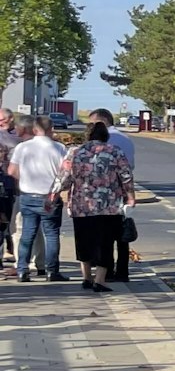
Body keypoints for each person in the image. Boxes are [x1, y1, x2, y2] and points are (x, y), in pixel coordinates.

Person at [56, 121, 135, 293]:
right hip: (109, 205)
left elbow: (65, 178)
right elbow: (126, 176)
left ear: (88, 135)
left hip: (81, 205)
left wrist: (54, 193)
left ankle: (86, 277)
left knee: (83, 240)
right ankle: (100, 280)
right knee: (105, 242)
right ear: (105, 135)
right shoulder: (115, 152)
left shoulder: (74, 153)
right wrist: (130, 197)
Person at [8, 117, 68, 281]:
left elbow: (12, 171)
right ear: (51, 129)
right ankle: (52, 270)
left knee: (27, 234)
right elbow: (65, 173)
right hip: (49, 196)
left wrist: (25, 178)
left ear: (34, 130)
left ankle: (22, 270)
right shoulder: (59, 148)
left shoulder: (23, 147)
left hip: (28, 195)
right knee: (51, 234)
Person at [88, 108, 136, 281]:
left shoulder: (107, 142)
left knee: (105, 234)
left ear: (102, 122)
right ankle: (122, 271)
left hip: (104, 194)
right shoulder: (126, 139)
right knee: (122, 234)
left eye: (93, 124)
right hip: (122, 191)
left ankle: (106, 270)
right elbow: (129, 168)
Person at [0, 108, 19, 269]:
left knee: (9, 218)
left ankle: (10, 248)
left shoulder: (17, 135)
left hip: (10, 182)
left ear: (10, 119)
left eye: (2, 120)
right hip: (5, 181)